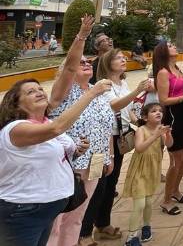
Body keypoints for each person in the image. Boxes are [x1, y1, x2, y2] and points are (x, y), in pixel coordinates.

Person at [0, 77, 108, 246]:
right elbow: (57, 128)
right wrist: (92, 93)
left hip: (46, 208)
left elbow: (52, 152)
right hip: (23, 211)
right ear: (16, 104)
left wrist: (77, 151)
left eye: (40, 89)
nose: (39, 92)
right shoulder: (16, 128)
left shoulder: (45, 122)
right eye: (30, 92)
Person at [46, 17, 116, 246]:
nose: (86, 64)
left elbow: (106, 127)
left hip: (95, 161)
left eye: (89, 62)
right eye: (81, 62)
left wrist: (109, 156)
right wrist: (82, 36)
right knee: (59, 219)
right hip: (70, 163)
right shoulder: (64, 94)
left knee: (78, 216)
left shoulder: (98, 92)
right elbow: (69, 65)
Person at [79, 49, 151, 244]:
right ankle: (84, 232)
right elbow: (114, 106)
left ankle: (102, 224)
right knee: (94, 186)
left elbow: (127, 110)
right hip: (100, 143)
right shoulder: (103, 86)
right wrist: (138, 91)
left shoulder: (122, 82)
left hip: (116, 142)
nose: (123, 60)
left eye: (123, 57)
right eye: (118, 58)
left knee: (110, 185)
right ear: (107, 63)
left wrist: (138, 122)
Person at [154, 41, 183, 215]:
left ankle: (175, 190)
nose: (174, 46)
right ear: (163, 52)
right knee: (176, 160)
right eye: (171, 45)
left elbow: (181, 89)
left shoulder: (177, 68)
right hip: (172, 117)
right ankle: (166, 200)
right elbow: (163, 100)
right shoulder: (163, 72)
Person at [121, 103, 173, 246]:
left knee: (149, 202)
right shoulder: (141, 130)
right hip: (139, 169)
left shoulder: (161, 129)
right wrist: (155, 135)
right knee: (139, 204)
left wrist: (167, 135)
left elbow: (169, 145)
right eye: (153, 111)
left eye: (160, 111)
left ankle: (146, 226)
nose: (158, 113)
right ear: (144, 117)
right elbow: (139, 148)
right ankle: (131, 237)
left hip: (153, 169)